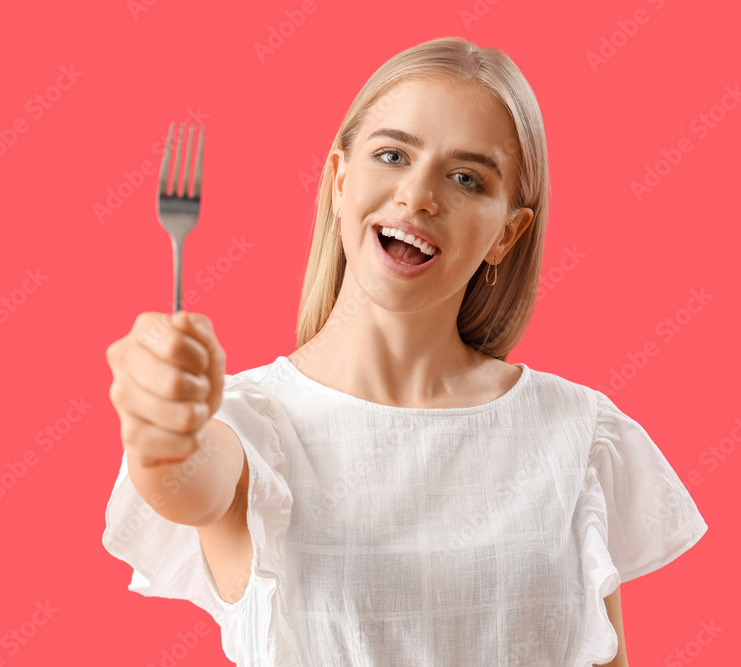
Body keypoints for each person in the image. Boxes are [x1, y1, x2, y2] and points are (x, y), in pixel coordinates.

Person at [102, 36, 707, 667]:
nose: (418, 195)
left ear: (507, 233)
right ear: (339, 181)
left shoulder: (579, 434)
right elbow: (186, 482)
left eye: (467, 177)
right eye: (392, 154)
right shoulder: (248, 424)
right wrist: (161, 428)